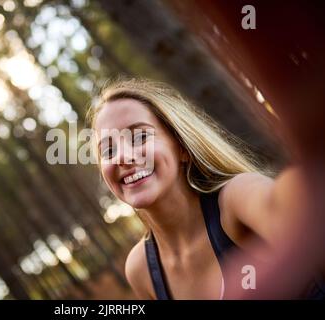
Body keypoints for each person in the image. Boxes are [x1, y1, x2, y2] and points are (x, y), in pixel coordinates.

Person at [86, 78, 324, 299]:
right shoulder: (140, 269)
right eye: (108, 150)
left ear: (181, 147)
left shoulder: (237, 198)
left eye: (139, 137)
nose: (122, 157)